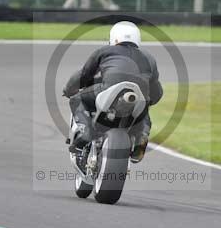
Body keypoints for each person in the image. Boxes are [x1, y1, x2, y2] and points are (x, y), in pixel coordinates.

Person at [63, 21, 163, 163]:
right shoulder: (149, 58)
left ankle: (85, 132)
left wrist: (68, 89)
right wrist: (150, 100)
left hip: (107, 90)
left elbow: (84, 75)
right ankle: (141, 140)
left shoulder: (104, 51)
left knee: (77, 99)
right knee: (144, 107)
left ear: (114, 37)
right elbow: (156, 91)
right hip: (137, 97)